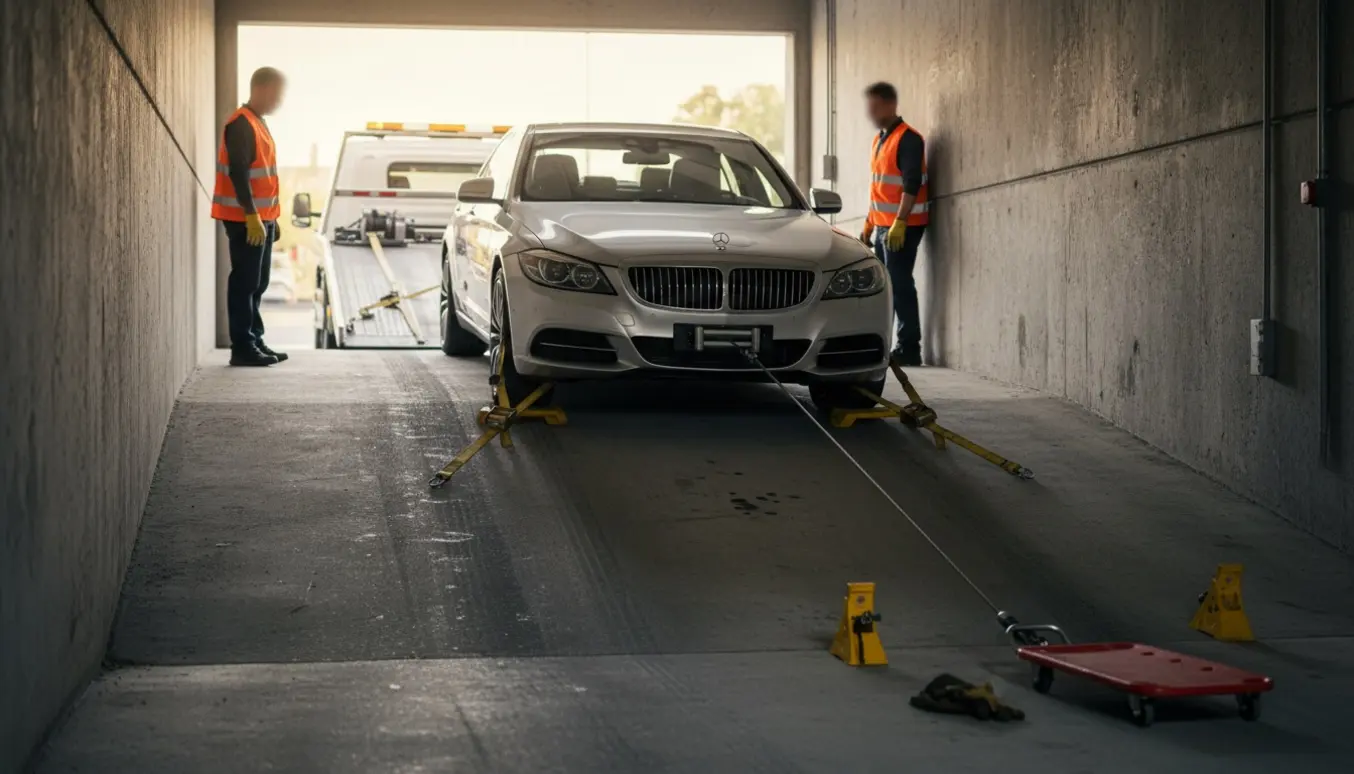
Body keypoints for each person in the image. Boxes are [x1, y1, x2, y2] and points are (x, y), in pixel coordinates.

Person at [212, 67, 288, 366]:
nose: (279, 100)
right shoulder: (241, 124)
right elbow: (239, 173)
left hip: (261, 218)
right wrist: (252, 216)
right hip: (245, 219)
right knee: (245, 281)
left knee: (259, 281)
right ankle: (242, 347)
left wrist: (271, 218)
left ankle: (254, 339)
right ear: (262, 89)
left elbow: (264, 178)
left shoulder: (258, 123)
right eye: (277, 94)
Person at [861, 81, 929, 367]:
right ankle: (883, 344)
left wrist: (899, 222)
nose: (871, 112)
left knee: (900, 283)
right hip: (882, 225)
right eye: (869, 107)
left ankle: (909, 348)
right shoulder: (880, 140)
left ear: (890, 105)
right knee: (883, 287)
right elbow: (879, 188)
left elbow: (910, 184)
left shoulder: (909, 139)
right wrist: (869, 224)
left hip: (903, 225)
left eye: (875, 106)